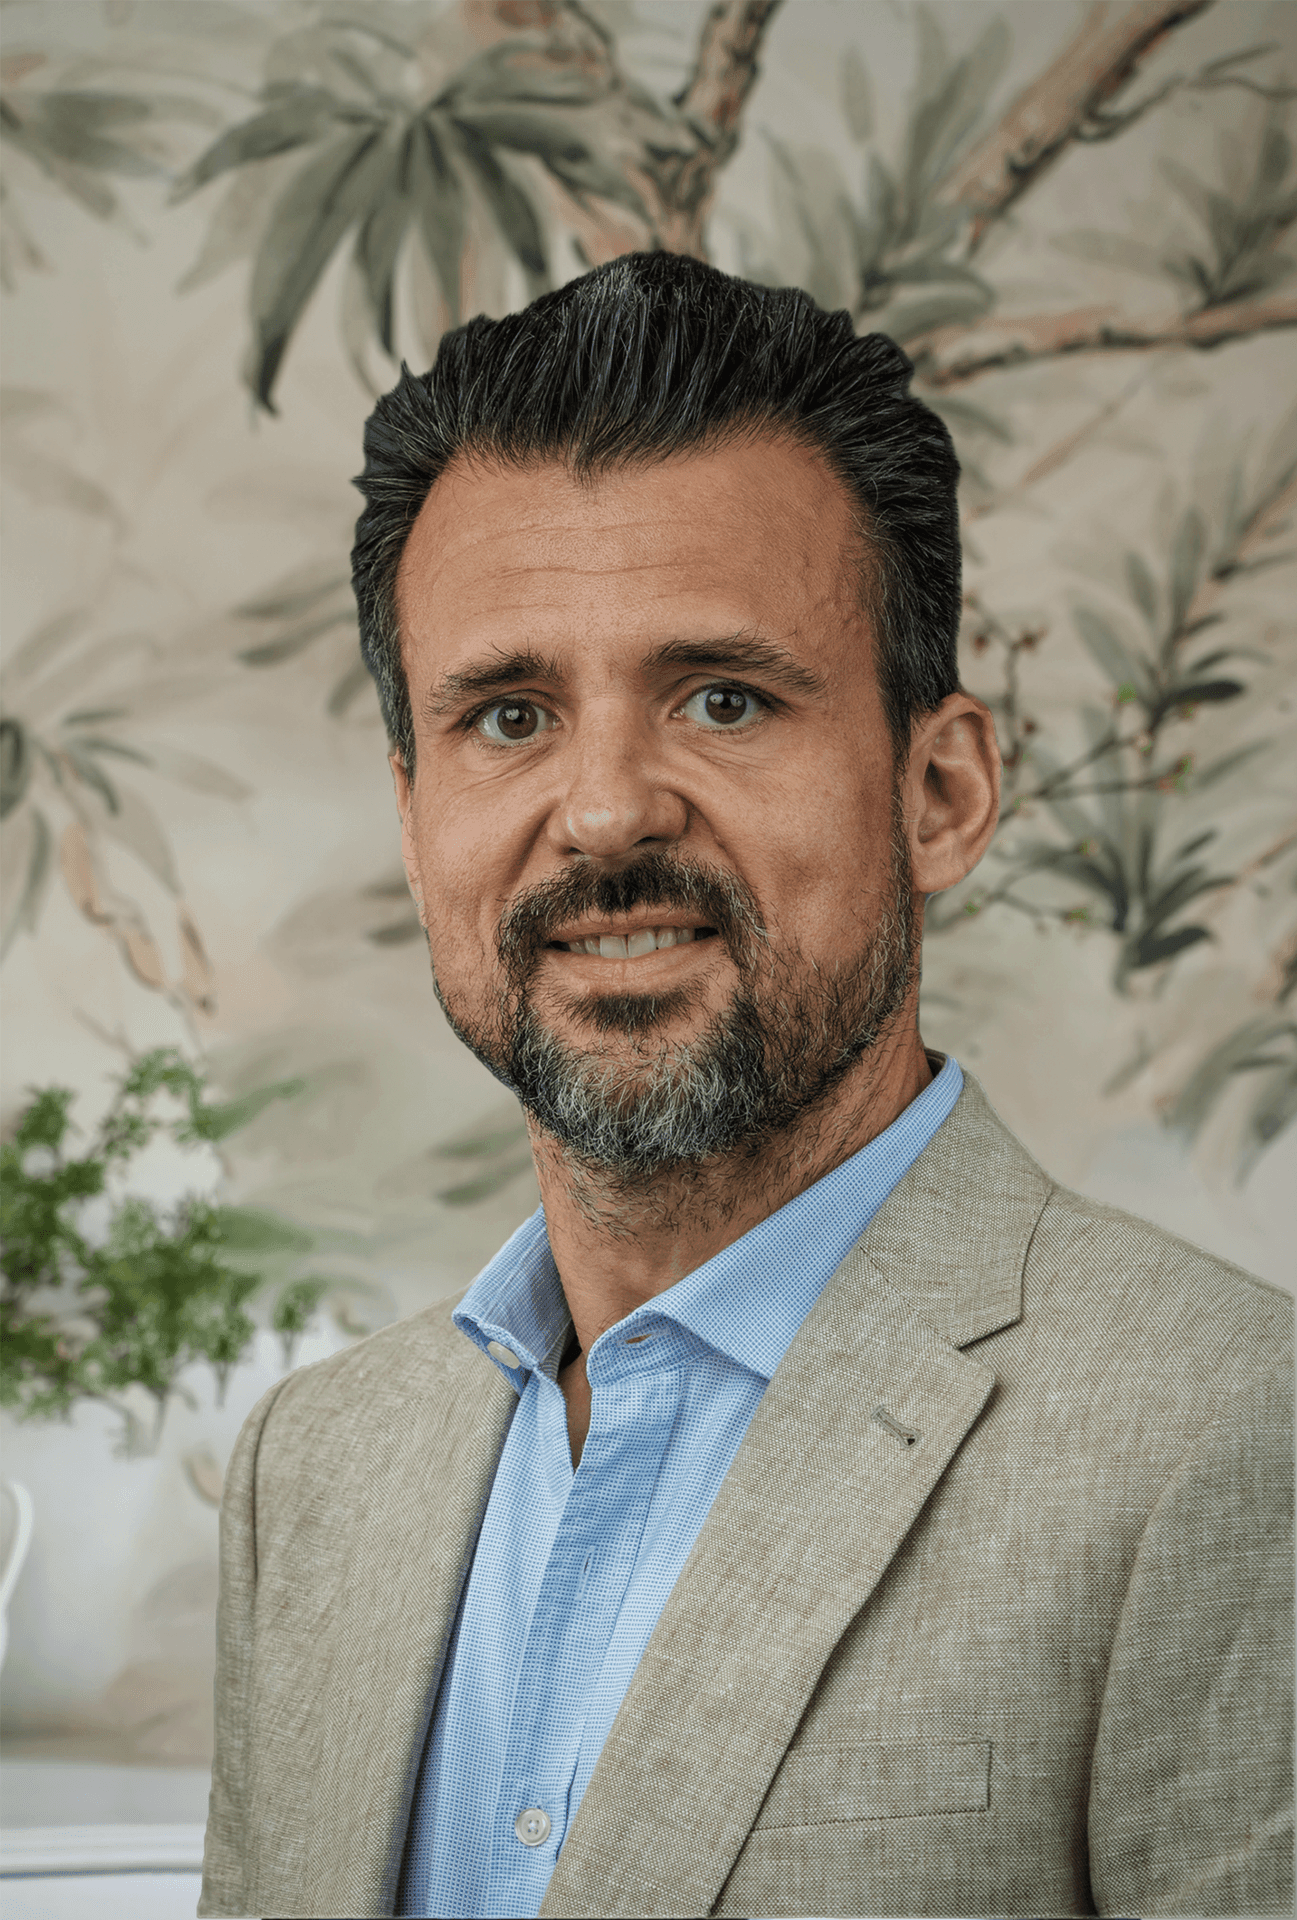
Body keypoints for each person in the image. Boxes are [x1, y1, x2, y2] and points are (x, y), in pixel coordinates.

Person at [199, 254, 1293, 1920]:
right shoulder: (312, 1475)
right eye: (507, 715)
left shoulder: (1228, 1439)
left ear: (941, 789)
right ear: (416, 818)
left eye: (723, 698)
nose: (605, 813)